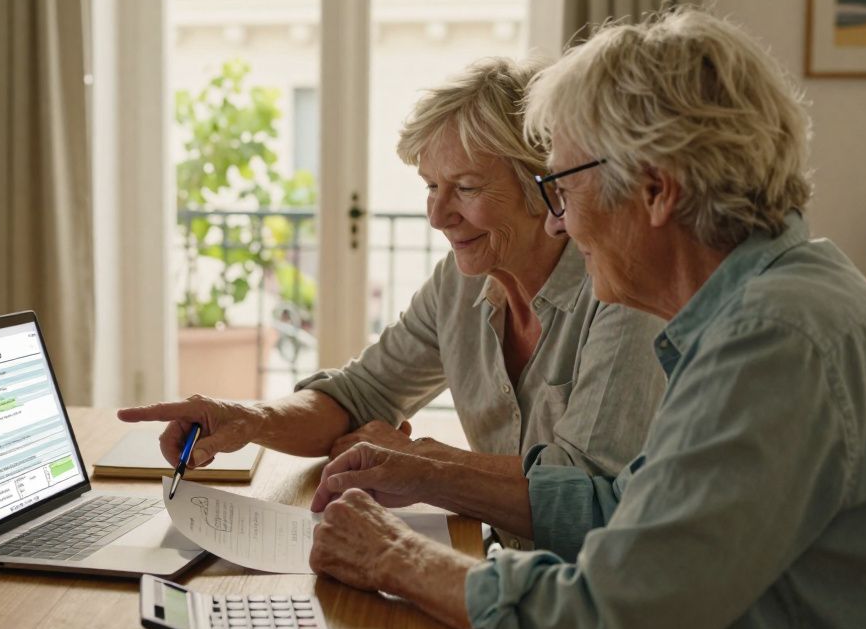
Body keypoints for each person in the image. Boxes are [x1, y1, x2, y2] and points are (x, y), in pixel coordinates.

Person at [307, 8, 866, 629]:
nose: (557, 219)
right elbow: (624, 507)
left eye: (560, 186)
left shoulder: (772, 340)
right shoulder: (774, 300)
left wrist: (395, 557)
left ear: (654, 188)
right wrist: (429, 474)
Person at [119, 58, 666, 548]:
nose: (437, 215)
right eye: (431, 187)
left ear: (541, 183)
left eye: (467, 188)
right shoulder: (459, 283)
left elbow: (587, 497)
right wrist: (246, 418)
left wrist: (420, 459)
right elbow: (360, 396)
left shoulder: (622, 290)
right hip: (506, 568)